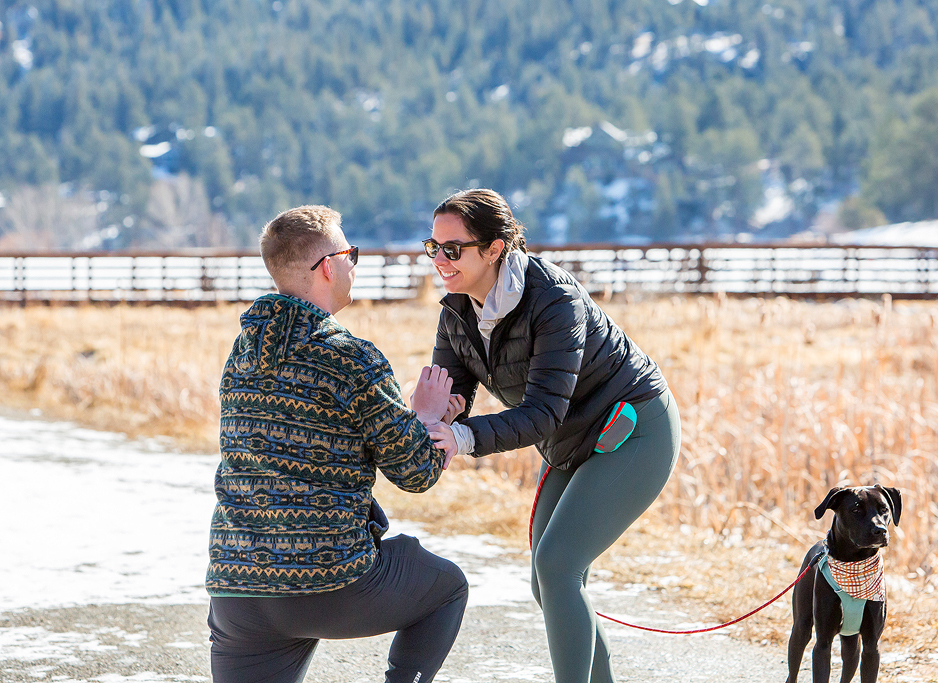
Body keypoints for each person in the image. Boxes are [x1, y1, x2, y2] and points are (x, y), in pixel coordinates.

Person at [422, 189, 682, 683]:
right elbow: (452, 390)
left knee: (559, 565)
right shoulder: (456, 309)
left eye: (452, 249)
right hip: (568, 440)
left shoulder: (554, 298)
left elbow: (540, 412)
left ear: (495, 248)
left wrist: (461, 437)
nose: (440, 259)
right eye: (432, 246)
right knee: (552, 582)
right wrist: (440, 411)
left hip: (634, 428)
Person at [206, 205, 468, 683]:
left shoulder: (240, 356)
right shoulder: (351, 358)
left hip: (237, 589)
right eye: (350, 253)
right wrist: (427, 418)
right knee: (447, 586)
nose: (354, 263)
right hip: (328, 582)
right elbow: (415, 473)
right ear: (328, 266)